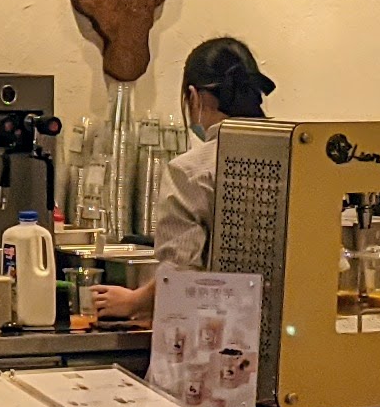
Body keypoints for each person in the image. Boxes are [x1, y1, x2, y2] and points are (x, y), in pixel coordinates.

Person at [94, 34, 273, 324]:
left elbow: (180, 279)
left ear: (194, 97)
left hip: (222, 334)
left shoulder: (190, 171)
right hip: (299, 336)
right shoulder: (298, 157)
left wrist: (133, 301)